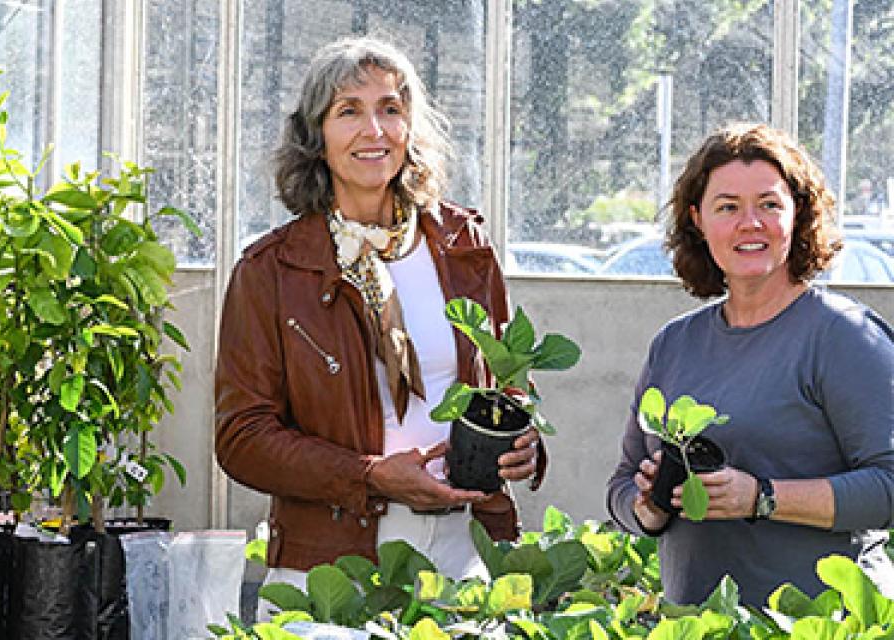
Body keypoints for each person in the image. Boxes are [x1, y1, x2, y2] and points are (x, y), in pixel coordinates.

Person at [214, 36, 545, 618]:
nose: (374, 130)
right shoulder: (271, 271)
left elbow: (508, 383)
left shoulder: (464, 246)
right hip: (332, 561)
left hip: (463, 551)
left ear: (410, 128)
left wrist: (525, 446)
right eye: (349, 111)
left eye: (390, 108)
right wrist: (372, 477)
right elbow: (243, 439)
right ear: (315, 138)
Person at [606, 123, 894, 607]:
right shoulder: (674, 345)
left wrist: (762, 497)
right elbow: (623, 482)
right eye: (727, 207)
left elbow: (889, 484)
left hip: (818, 623)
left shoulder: (842, 335)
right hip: (694, 623)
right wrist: (647, 508)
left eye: (769, 204)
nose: (750, 223)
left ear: (798, 213)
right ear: (697, 219)